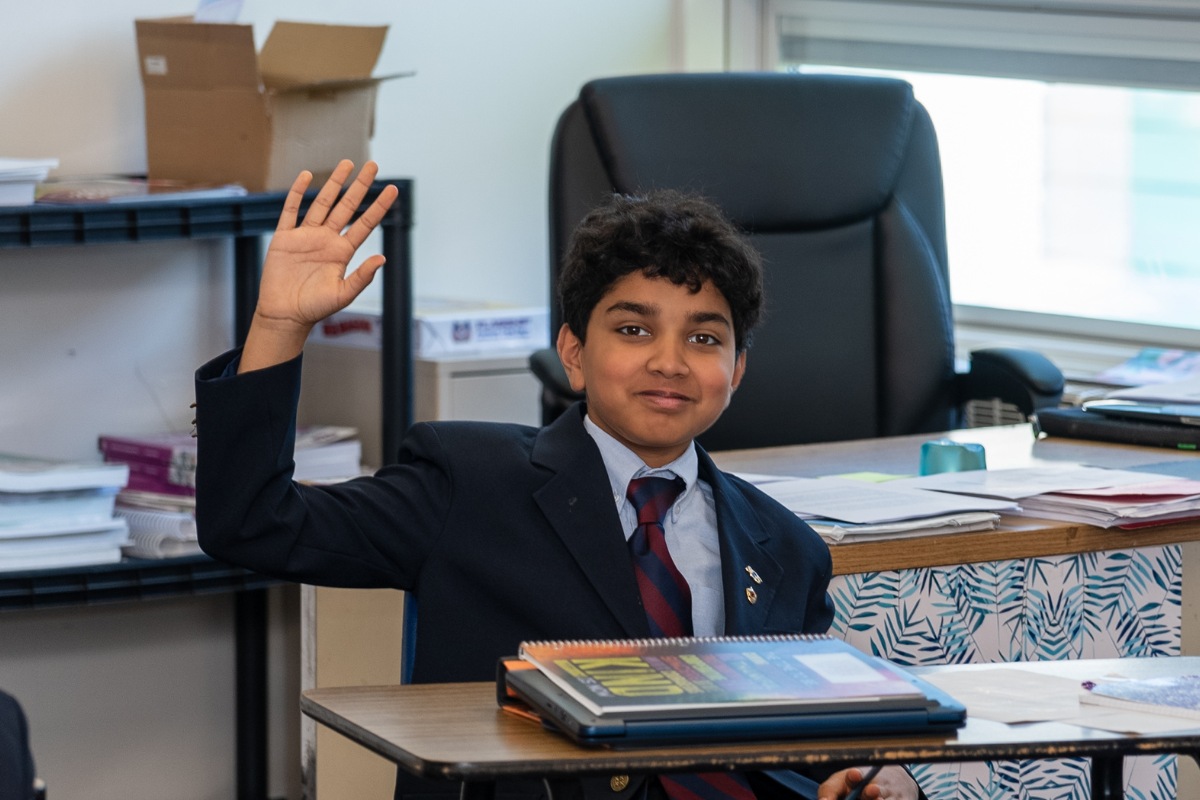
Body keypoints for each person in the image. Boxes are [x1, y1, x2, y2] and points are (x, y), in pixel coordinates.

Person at [193, 160, 921, 800]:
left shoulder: (786, 548)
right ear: (573, 353)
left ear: (735, 372)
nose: (670, 361)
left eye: (704, 338)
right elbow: (254, 524)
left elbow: (826, 729)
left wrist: (882, 772)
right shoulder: (469, 483)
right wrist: (278, 329)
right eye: (634, 330)